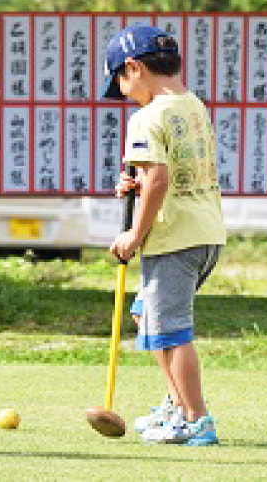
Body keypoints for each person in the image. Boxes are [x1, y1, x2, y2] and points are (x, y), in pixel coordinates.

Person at [101, 25, 227, 446]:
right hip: (206, 233)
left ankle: (196, 418)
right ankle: (176, 403)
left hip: (173, 238)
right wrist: (137, 183)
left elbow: (157, 177)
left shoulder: (146, 116)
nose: (121, 92)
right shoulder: (193, 106)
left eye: (119, 81)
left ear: (134, 68)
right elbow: (166, 173)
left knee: (171, 330)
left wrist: (134, 234)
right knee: (146, 315)